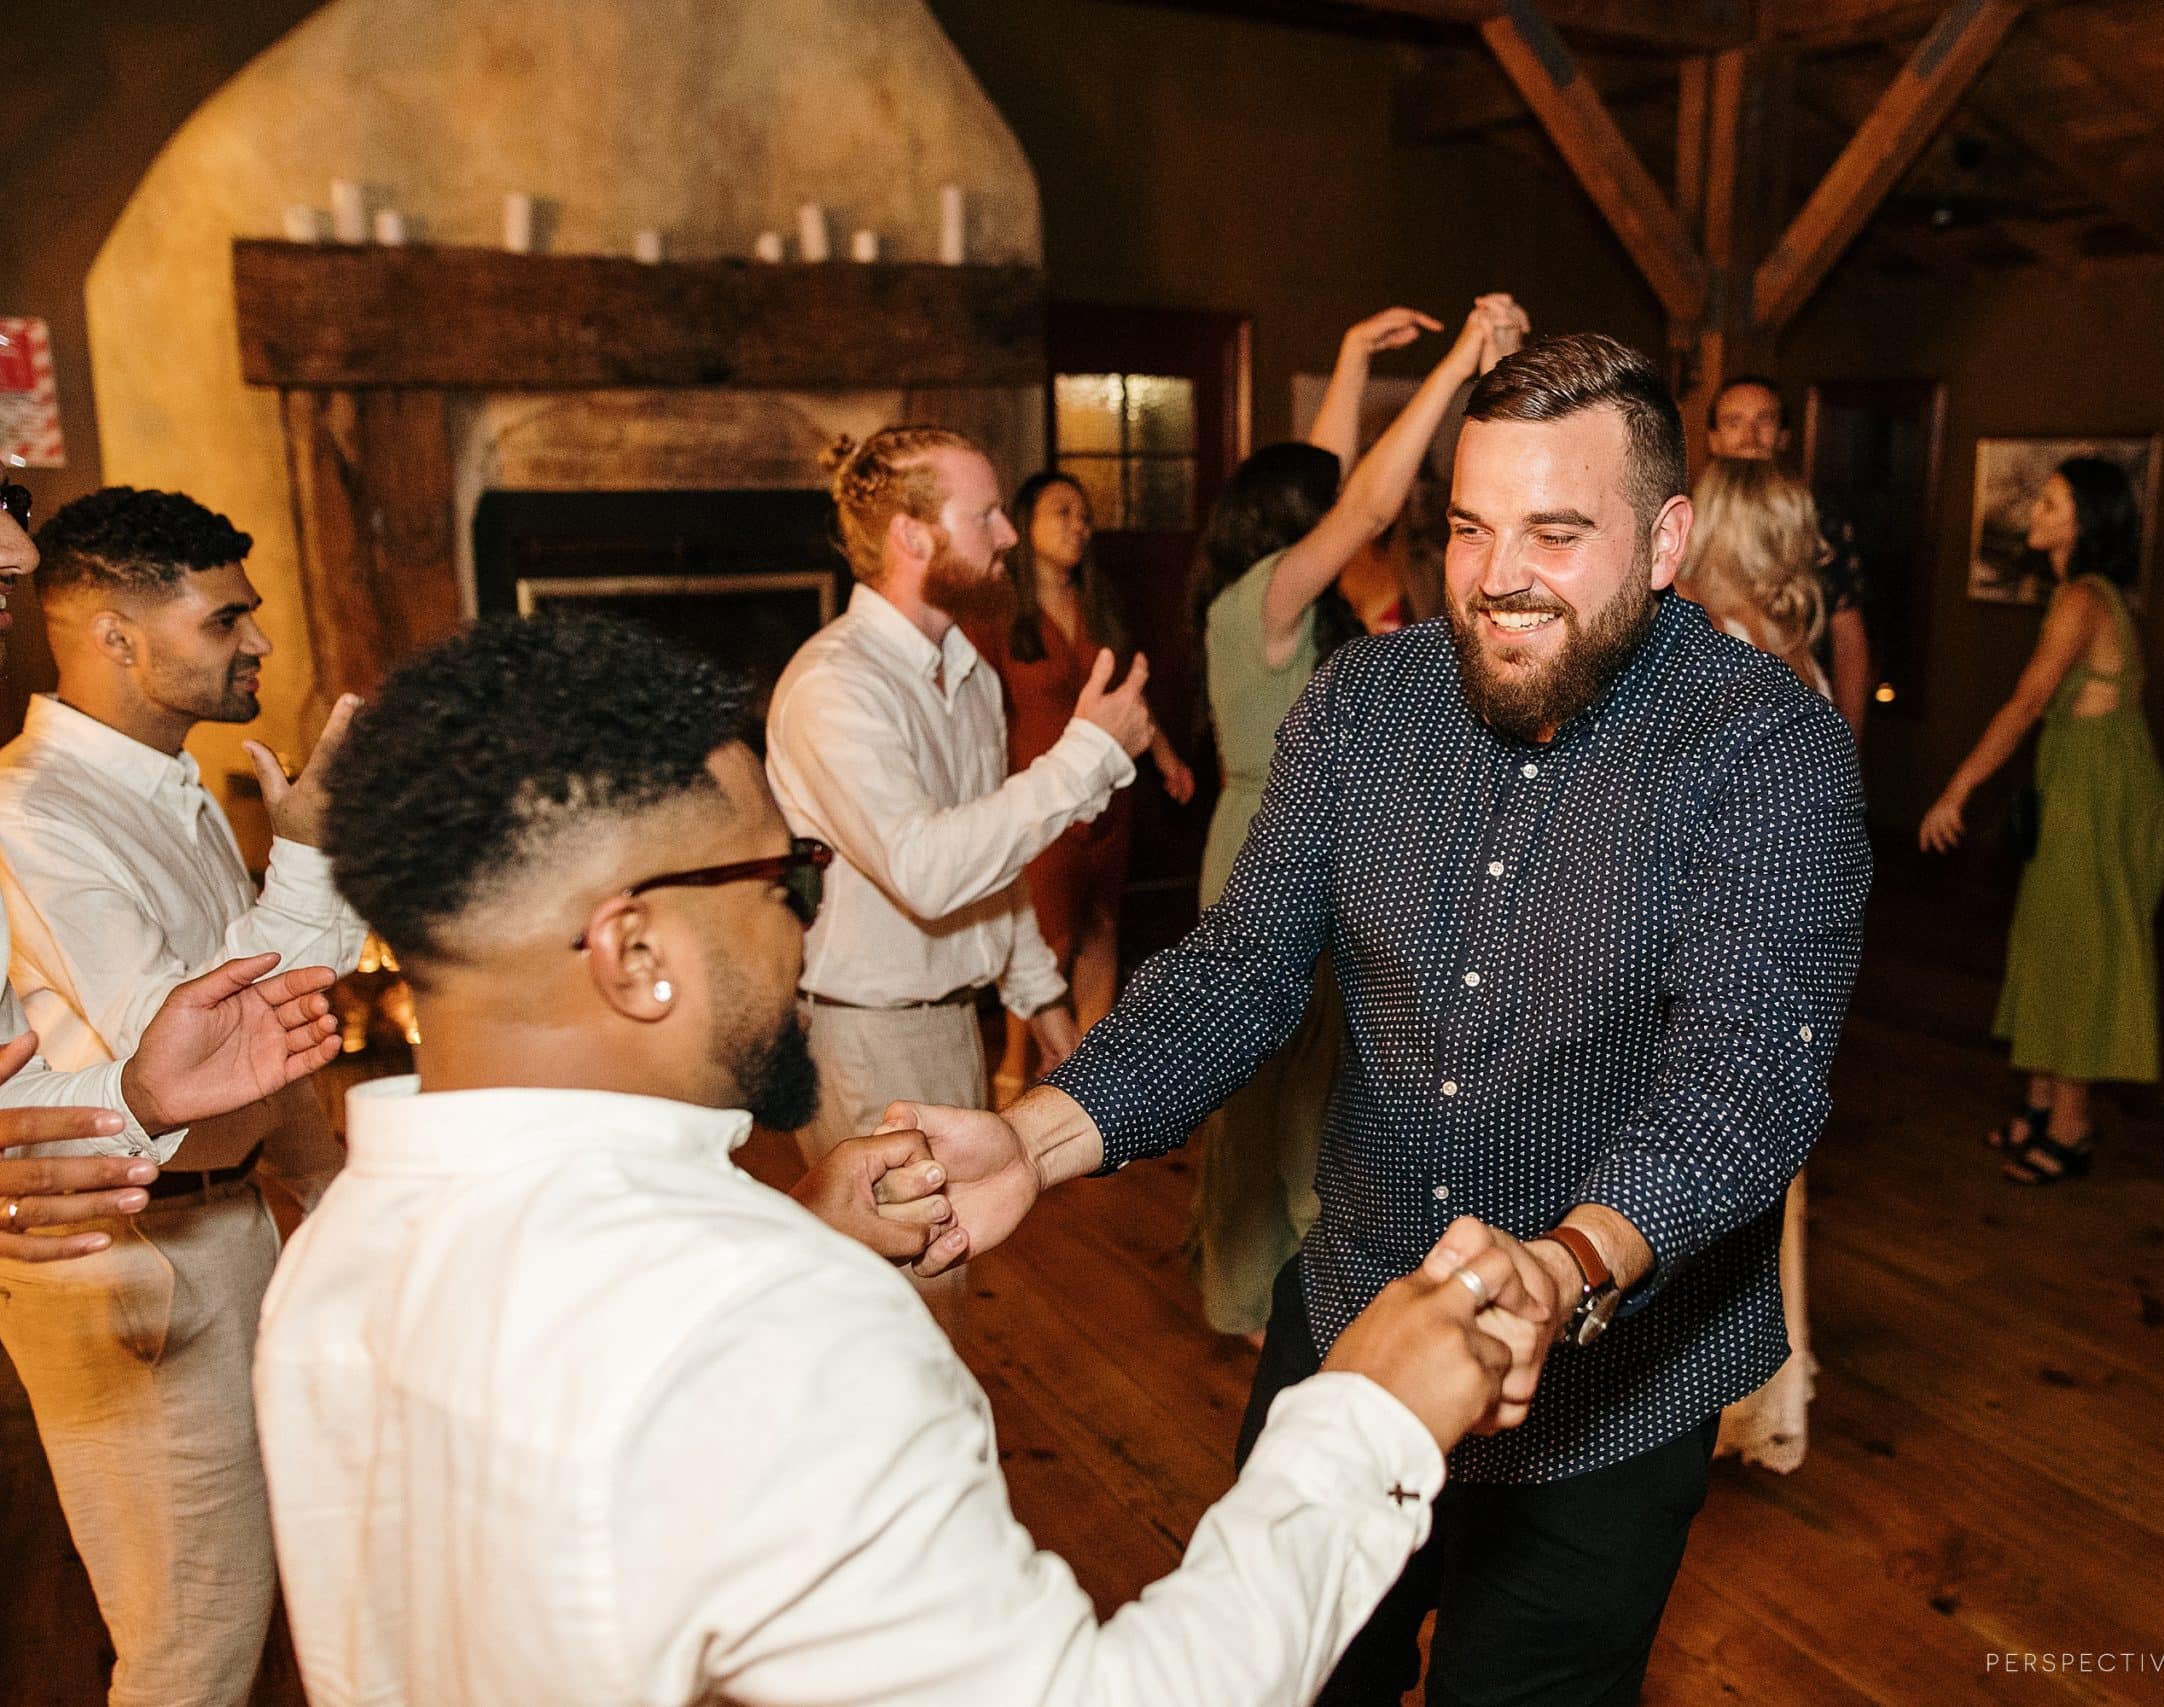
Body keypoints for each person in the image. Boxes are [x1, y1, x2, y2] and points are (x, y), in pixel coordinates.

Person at [261, 612, 1546, 1707]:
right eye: (787, 879)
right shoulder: (776, 1327)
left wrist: (790, 1234)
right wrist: (1366, 1417)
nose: (804, 929)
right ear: (636, 953)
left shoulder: (335, 1255)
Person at [895, 333, 1870, 1705]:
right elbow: (1240, 966)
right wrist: (1036, 1137)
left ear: (1665, 542)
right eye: (1469, 527)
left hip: (1609, 1389)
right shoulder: (1362, 702)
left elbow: (1745, 1070)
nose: (1498, 575)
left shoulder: (1765, 746)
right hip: (1355, 1321)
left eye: (1555, 533)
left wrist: (1570, 1262)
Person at [0, 483, 356, 1706]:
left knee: (252, 1613)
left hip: (222, 1221)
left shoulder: (167, 785)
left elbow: (260, 1052)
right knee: (189, 1648)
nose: (262, 640)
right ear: (115, 636)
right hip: (127, 1259)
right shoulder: (32, 813)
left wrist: (326, 1192)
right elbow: (195, 1051)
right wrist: (308, 857)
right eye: (224, 620)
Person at [1188, 296, 1525, 1341]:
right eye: (1320, 514)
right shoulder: (1260, 602)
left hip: (1315, 847)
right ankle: (1282, 1304)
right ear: (1295, 528)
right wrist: (1458, 365)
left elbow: (1332, 487)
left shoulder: (1266, 596)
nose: (1341, 522)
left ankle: (1300, 1292)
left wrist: (1347, 357)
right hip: (1267, 854)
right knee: (1281, 1090)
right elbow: (1365, 508)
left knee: (1306, 1084)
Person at [766, 427, 1156, 1169]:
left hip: (952, 1023)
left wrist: (1041, 996)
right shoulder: (835, 685)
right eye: (985, 516)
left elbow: (987, 858)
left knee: (954, 1242)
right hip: (866, 1038)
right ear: (912, 536)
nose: (1008, 534)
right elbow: (928, 870)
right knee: (902, 1250)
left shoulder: (968, 672)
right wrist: (1088, 755)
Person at [1919, 457, 2164, 1185]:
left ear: (2087, 521)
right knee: (2047, 941)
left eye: (2054, 503)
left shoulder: (2083, 598)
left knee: (2083, 956)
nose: (2037, 510)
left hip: (2103, 794)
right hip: (2081, 783)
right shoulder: (2079, 593)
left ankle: (2071, 1127)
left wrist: (1957, 790)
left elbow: (2028, 702)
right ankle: (2038, 1106)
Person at [1676, 455, 1832, 1475]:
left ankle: (1717, 1401)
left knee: (1706, 1181)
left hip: (1725, 961)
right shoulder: (1794, 654)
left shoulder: (1718, 662)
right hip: (1787, 963)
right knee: (1765, 1187)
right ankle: (1761, 1395)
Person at [974, 471, 1193, 1094]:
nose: (1079, 526)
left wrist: (1166, 758)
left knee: (1101, 929)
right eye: (1062, 512)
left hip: (1108, 798)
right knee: (1046, 938)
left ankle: (1090, 1080)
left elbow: (1128, 694)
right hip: (1039, 798)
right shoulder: (999, 614)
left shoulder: (1097, 605)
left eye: (1085, 516)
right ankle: (1015, 1076)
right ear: (1026, 525)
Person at [1701, 375, 1872, 739]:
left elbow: (1849, 642)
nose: (1750, 436)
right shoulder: (1683, 528)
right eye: (1734, 422)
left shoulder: (1818, 521)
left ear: (1783, 436)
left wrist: (1848, 749)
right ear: (1712, 439)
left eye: (1764, 420)